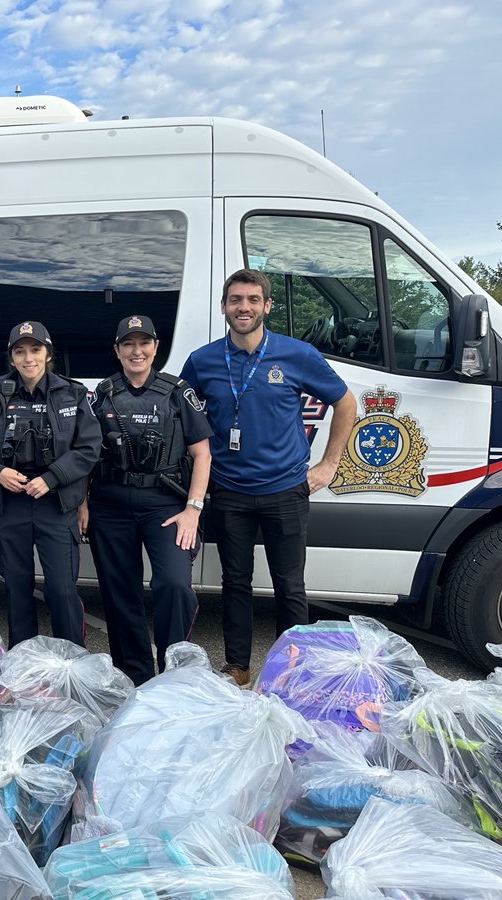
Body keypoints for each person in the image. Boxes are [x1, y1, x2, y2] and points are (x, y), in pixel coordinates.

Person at [181, 268, 355, 685]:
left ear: (267, 306)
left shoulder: (297, 355)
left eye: (253, 300)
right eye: (236, 299)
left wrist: (328, 465)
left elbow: (346, 404)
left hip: (285, 489)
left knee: (290, 586)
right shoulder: (203, 361)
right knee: (234, 584)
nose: (244, 307)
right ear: (224, 306)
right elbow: (182, 420)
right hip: (230, 491)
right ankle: (238, 667)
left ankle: (291, 672)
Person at [81, 315, 212, 684]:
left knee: (174, 584)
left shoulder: (177, 392)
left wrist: (193, 510)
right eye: (128, 344)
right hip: (110, 504)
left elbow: (202, 454)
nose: (136, 351)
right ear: (117, 351)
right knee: (119, 592)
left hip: (165, 506)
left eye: (144, 343)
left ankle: (173, 673)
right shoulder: (102, 394)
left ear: (156, 347)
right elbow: (85, 453)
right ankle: (134, 677)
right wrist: (82, 503)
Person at [0, 321, 101, 648]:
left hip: (55, 504)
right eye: (20, 351)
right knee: (17, 589)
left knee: (61, 590)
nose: (28, 358)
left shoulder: (72, 392)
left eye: (35, 350)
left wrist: (52, 477)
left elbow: (89, 447)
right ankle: (22, 666)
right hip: (9, 504)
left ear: (47, 353)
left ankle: (71, 666)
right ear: (11, 358)